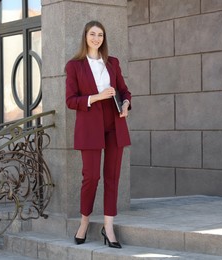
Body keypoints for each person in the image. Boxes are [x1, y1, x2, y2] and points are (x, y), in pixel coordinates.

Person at [65, 20, 131, 249]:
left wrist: (126, 104)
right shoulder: (75, 66)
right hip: (90, 127)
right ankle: (84, 222)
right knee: (91, 177)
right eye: (92, 34)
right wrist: (97, 97)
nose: (96, 38)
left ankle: (108, 227)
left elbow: (124, 90)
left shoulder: (112, 63)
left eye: (100, 34)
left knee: (112, 177)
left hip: (115, 124)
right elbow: (70, 100)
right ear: (85, 36)